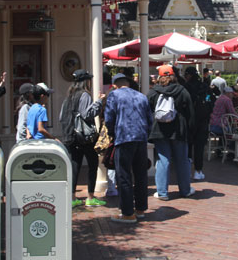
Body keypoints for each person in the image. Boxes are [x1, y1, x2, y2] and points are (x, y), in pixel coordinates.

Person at [104, 73, 153, 223]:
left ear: (115, 85)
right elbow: (150, 120)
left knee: (124, 176)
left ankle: (127, 213)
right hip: (141, 139)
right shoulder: (142, 97)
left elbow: (109, 118)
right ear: (129, 83)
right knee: (140, 175)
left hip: (124, 137)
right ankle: (140, 209)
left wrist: (112, 133)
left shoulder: (114, 95)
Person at [58, 69, 105, 208]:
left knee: (74, 166)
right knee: (92, 164)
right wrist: (99, 102)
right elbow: (88, 113)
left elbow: (61, 117)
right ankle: (90, 197)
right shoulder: (84, 95)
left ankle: (72, 198)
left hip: (70, 136)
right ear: (86, 81)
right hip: (84, 137)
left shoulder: (69, 96)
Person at [147, 65, 195, 200]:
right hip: (179, 130)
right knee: (182, 160)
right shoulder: (182, 91)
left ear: (159, 77)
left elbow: (147, 111)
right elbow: (190, 113)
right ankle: (185, 190)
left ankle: (162, 192)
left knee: (163, 160)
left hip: (159, 130)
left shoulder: (153, 92)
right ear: (174, 75)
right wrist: (190, 131)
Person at [183, 66, 212, 181]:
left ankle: (187, 169)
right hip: (203, 120)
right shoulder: (204, 86)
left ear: (189, 75)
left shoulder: (186, 88)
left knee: (188, 146)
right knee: (199, 147)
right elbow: (210, 99)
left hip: (189, 120)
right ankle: (198, 171)